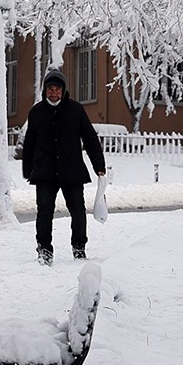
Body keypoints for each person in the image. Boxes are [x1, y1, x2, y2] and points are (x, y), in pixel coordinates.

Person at [20, 68, 106, 264]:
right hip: (45, 172)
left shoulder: (76, 110)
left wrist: (98, 165)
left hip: (72, 170)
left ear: (63, 90)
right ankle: (44, 250)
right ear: (45, 91)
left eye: (57, 89)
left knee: (78, 211)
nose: (54, 93)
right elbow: (30, 143)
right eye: (50, 89)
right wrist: (28, 170)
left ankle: (79, 248)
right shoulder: (36, 112)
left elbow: (90, 138)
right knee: (44, 212)